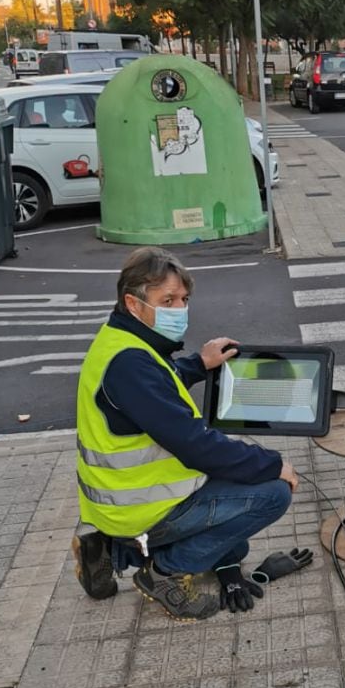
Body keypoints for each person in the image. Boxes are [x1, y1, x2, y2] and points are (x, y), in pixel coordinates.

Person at [72, 247, 308, 620]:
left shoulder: (120, 341)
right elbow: (196, 446)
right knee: (272, 494)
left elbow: (152, 393)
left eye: (183, 299)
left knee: (234, 531)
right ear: (134, 304)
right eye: (167, 300)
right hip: (142, 508)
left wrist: (199, 364)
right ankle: (163, 574)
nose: (179, 308)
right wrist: (272, 463)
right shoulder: (131, 363)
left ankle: (111, 549)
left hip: (117, 503)